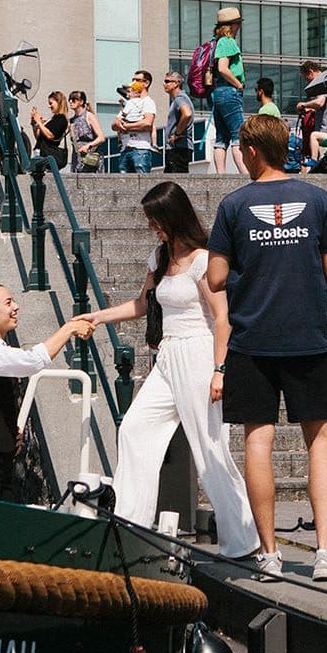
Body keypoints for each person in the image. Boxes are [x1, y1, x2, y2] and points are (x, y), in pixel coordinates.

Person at [206, 115, 327, 580]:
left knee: (257, 440)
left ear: (250, 151)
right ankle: (326, 553)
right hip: (307, 335)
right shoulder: (318, 199)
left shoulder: (233, 204)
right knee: (320, 439)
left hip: (251, 340)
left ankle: (268, 555)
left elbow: (214, 278)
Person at [81, 183, 257, 558]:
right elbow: (141, 304)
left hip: (199, 352)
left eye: (155, 220)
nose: (151, 227)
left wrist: (219, 370)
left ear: (172, 217)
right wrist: (97, 317)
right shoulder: (159, 256)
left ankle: (242, 538)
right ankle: (131, 526)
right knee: (134, 429)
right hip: (167, 354)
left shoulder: (202, 259)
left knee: (210, 448)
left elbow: (222, 318)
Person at [0, 283, 97, 501]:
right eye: (8, 303)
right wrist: (68, 329)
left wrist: (8, 434)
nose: (16, 307)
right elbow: (33, 362)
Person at [206, 6, 247, 174]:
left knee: (222, 137)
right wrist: (238, 84)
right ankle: (245, 173)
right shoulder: (227, 42)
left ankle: (220, 175)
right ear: (232, 25)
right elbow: (223, 68)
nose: (240, 27)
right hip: (228, 90)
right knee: (239, 134)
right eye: (238, 24)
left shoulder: (216, 42)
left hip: (217, 92)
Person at [291, 60, 327, 164]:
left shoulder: (323, 83)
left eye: (306, 78)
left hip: (326, 130)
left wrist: (303, 104)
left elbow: (320, 102)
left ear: (311, 72)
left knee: (319, 165)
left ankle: (313, 160)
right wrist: (310, 109)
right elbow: (326, 105)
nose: (308, 82)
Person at [112, 76, 157, 174]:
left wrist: (125, 126)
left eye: (137, 80)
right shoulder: (129, 103)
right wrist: (119, 124)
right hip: (126, 148)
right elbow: (114, 124)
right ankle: (155, 144)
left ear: (146, 83)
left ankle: (154, 144)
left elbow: (147, 123)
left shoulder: (147, 102)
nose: (128, 93)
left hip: (140, 148)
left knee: (141, 178)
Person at [162, 70, 195, 173]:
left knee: (177, 181)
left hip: (178, 148)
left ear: (176, 83)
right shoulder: (179, 99)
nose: (164, 84)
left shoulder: (180, 98)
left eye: (167, 81)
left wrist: (177, 134)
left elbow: (187, 113)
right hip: (179, 148)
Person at [29, 91, 69, 169]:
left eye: (51, 103)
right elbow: (39, 137)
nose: (49, 106)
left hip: (47, 154)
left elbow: (50, 135)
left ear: (59, 102)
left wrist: (39, 123)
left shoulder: (61, 119)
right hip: (40, 152)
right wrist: (35, 124)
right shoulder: (54, 119)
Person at [67, 91, 104, 173]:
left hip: (90, 159)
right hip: (77, 159)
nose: (70, 102)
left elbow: (101, 138)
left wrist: (88, 146)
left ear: (81, 102)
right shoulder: (72, 120)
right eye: (70, 99)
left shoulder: (89, 116)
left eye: (74, 99)